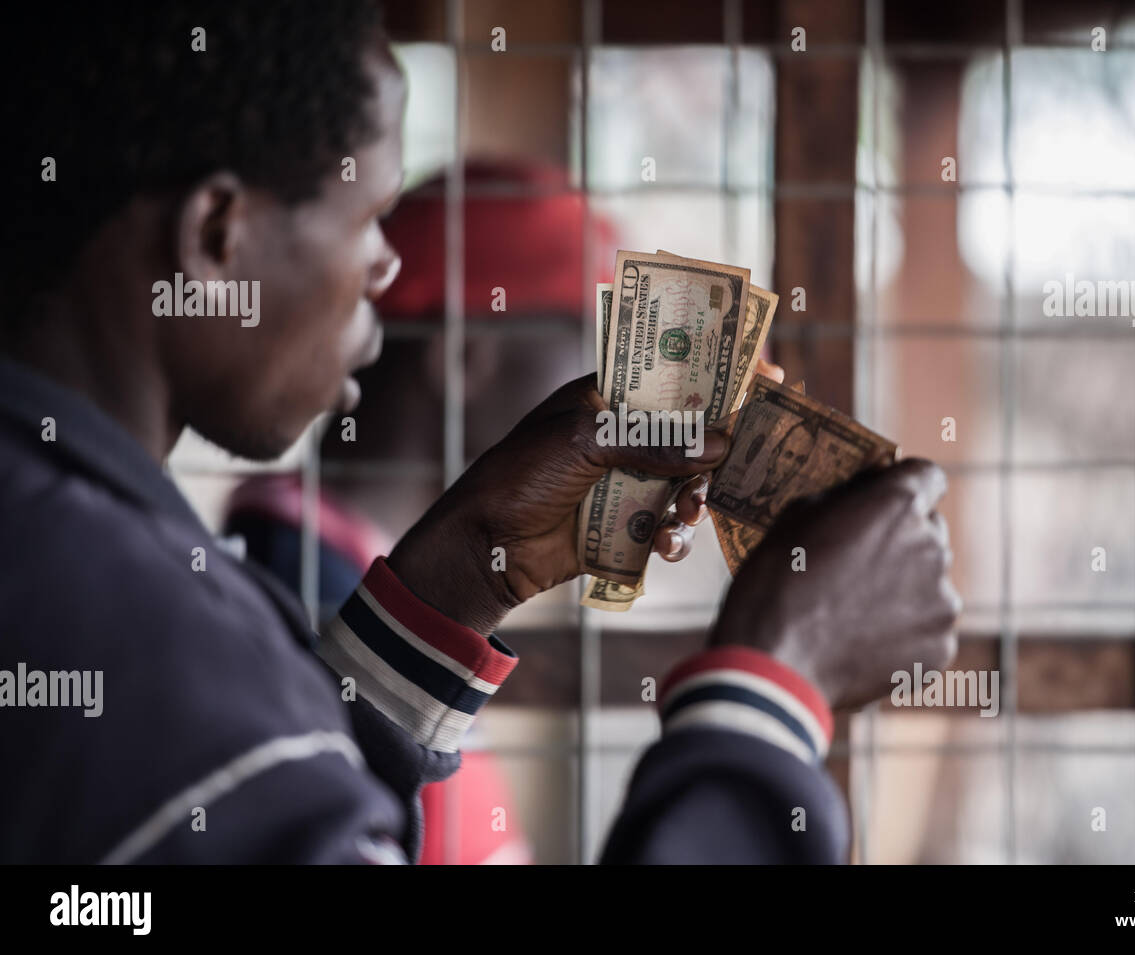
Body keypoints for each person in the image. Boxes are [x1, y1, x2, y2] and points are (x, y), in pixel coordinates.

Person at [0, 1, 959, 864]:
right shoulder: (138, 631)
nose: (386, 265)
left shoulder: (81, 551)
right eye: (374, 216)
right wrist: (774, 683)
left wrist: (451, 585)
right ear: (216, 233)